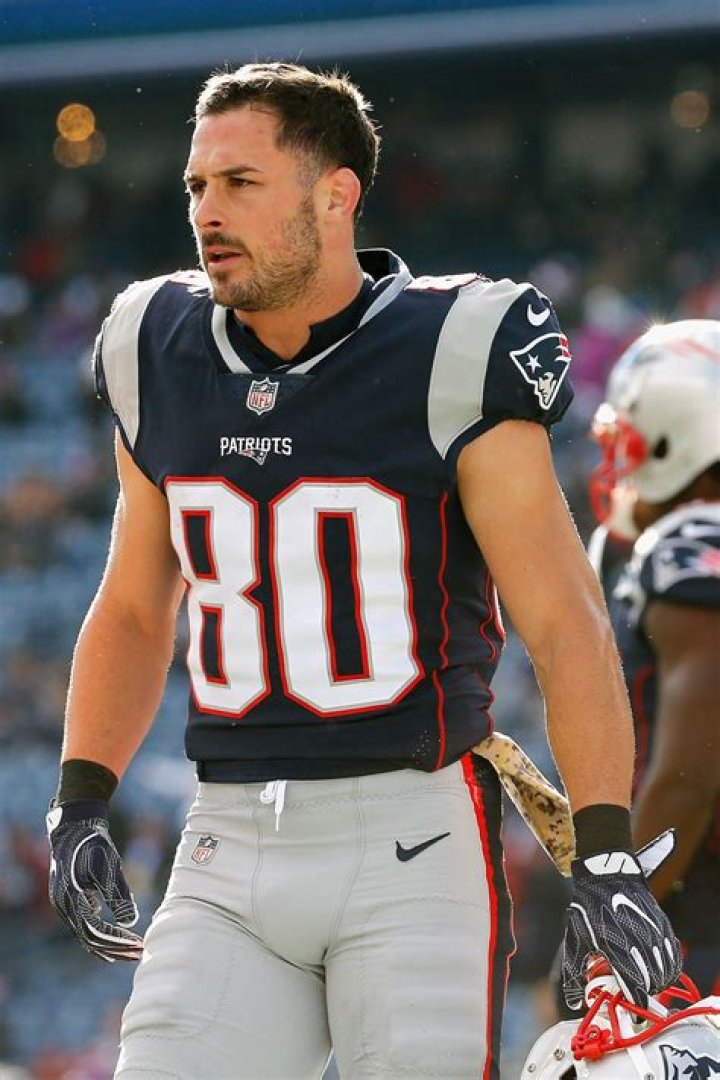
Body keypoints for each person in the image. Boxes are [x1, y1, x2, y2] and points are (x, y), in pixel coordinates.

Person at [46, 62, 680, 1080]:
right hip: (227, 837)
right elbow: (131, 604)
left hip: (414, 836)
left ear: (335, 196)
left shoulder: (453, 346)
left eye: (240, 182)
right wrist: (81, 796)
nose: (206, 210)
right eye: (197, 185)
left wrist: (604, 846)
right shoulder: (152, 344)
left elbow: (565, 619)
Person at [587, 318, 720, 995]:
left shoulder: (690, 548)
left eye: (629, 439)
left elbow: (691, 774)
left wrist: (610, 928)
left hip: (701, 922)